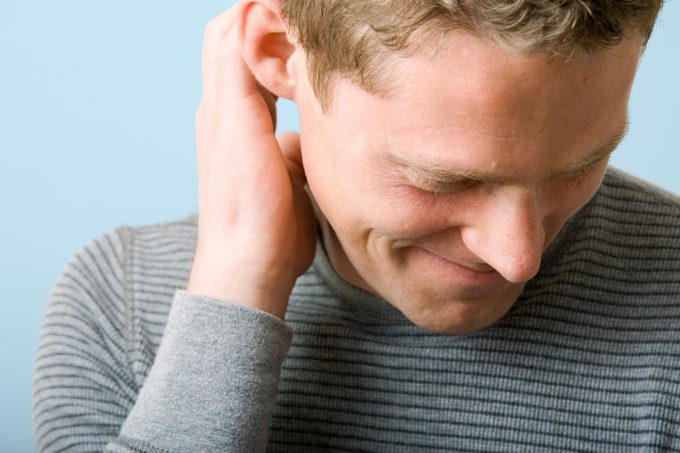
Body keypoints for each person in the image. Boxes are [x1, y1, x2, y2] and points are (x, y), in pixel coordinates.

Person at [33, 0, 680, 451]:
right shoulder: (120, 306)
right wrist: (237, 284)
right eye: (443, 179)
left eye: (580, 165)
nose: (518, 256)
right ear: (281, 53)